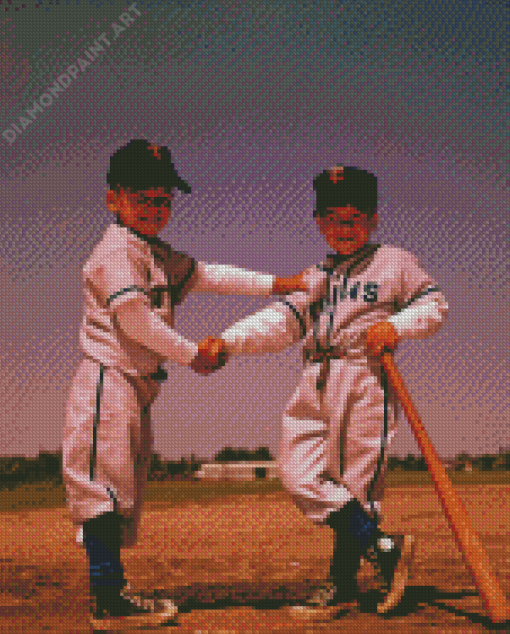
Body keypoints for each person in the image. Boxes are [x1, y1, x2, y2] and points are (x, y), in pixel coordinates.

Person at [62, 139, 308, 630]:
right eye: (142, 197)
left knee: (120, 489)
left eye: (163, 199)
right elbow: (133, 318)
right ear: (114, 198)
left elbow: (208, 275)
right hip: (107, 382)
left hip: (136, 387)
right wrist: (191, 353)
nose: (155, 208)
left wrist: (279, 284)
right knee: (100, 488)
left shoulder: (152, 251)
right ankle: (109, 600)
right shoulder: (115, 250)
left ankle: (113, 593)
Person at [205, 165, 449, 616]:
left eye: (353, 218)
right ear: (318, 222)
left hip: (364, 379)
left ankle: (342, 586)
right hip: (314, 378)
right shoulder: (317, 275)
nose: (343, 228)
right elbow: (281, 322)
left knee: (357, 486)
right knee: (298, 475)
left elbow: (434, 305)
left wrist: (396, 324)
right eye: (332, 219)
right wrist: (229, 340)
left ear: (373, 218)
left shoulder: (395, 262)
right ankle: (384, 548)